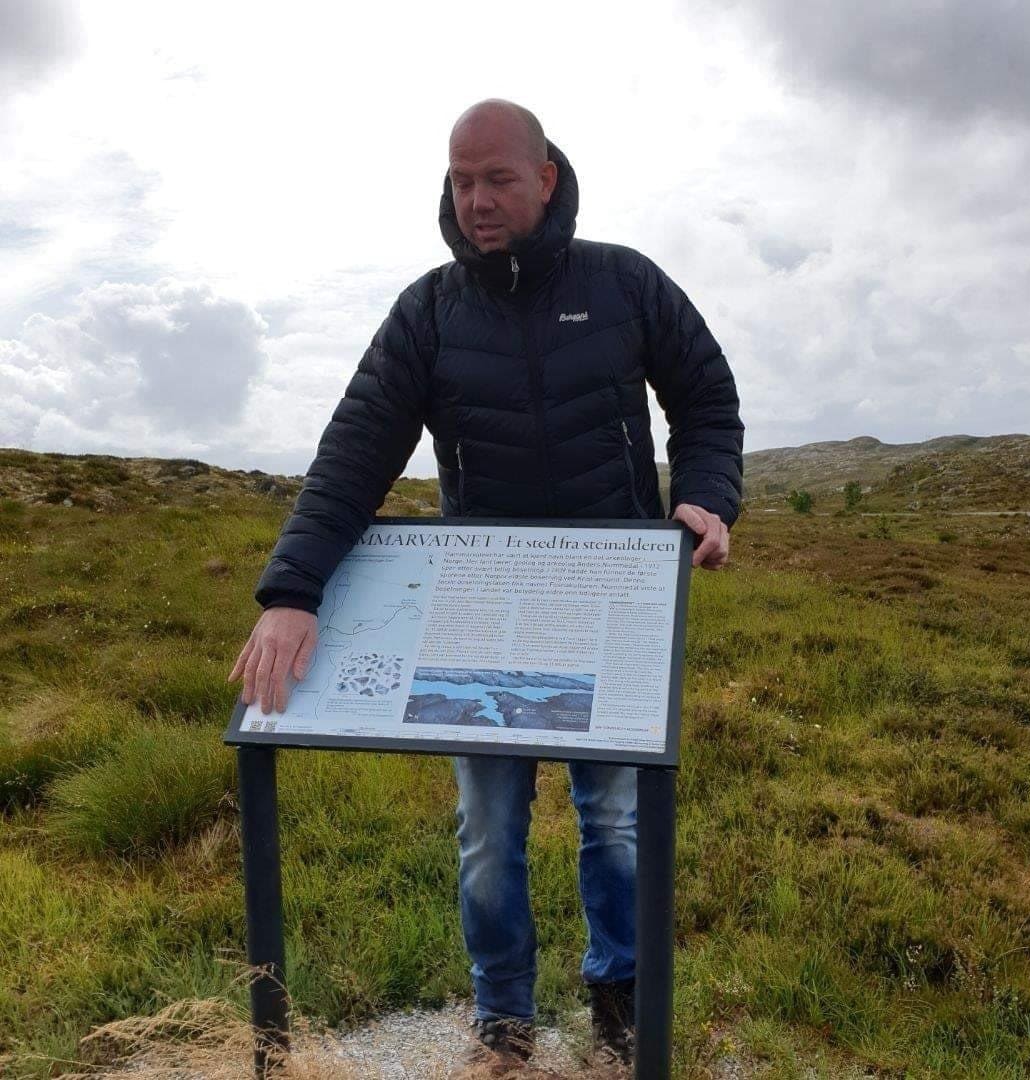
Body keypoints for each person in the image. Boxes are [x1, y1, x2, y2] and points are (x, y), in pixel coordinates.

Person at [229, 99, 743, 1076]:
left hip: (610, 606)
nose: (477, 201)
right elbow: (354, 454)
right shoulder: (429, 312)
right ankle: (503, 1023)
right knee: (489, 834)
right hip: (481, 615)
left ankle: (621, 1009)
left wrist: (708, 496)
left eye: (498, 179)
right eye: (462, 181)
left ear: (544, 178)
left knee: (617, 824)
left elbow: (707, 399)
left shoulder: (626, 284)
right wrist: (291, 592)